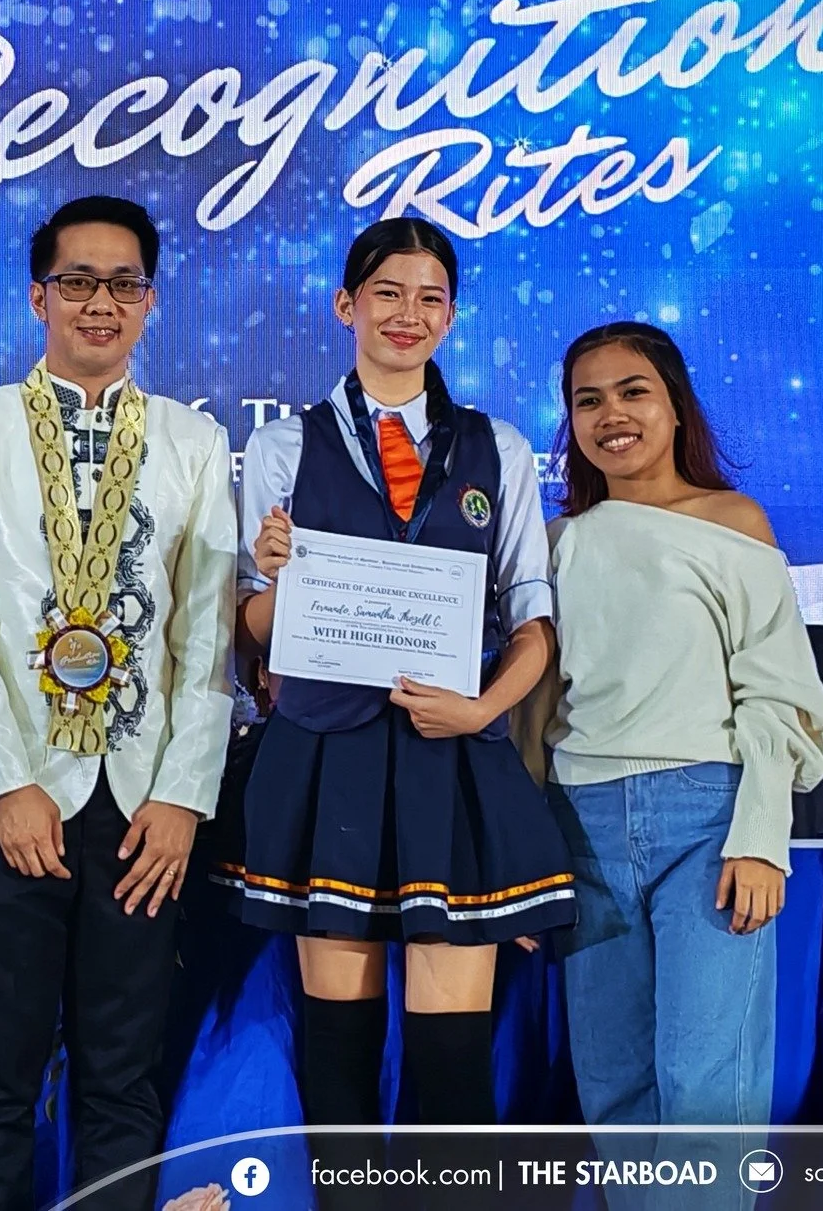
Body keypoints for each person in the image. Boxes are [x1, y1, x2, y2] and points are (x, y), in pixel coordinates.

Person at [0, 196, 236, 1211]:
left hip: (143, 810)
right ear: (37, 296)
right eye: (79, 281)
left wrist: (182, 796)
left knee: (123, 1078)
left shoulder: (191, 439)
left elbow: (206, 637)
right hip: (7, 798)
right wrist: (3, 784)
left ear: (150, 302)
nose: (101, 302)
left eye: (124, 283)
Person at [216, 217, 578, 1132]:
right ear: (346, 305)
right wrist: (277, 578)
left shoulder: (497, 447)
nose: (407, 314)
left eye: (429, 298)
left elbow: (533, 623)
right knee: (337, 1061)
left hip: (449, 762)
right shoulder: (283, 447)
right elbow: (252, 632)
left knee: (453, 1068)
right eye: (387, 293)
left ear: (451, 316)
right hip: (324, 758)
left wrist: (480, 710)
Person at [537, 321, 823, 1197]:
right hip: (580, 825)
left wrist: (761, 836)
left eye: (633, 392)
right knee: (615, 1089)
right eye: (588, 400)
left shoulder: (733, 521)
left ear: (675, 406)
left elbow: (776, 692)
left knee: (706, 1084)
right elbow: (532, 708)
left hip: (707, 820)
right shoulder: (557, 541)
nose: (612, 414)